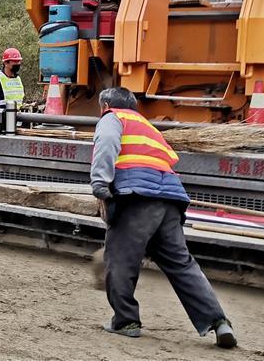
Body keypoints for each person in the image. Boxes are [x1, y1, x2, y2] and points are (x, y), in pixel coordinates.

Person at [90, 87, 237, 348]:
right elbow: (169, 160)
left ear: (105, 105)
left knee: (121, 259)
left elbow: (106, 146)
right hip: (170, 199)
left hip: (138, 198)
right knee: (182, 265)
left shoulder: (113, 118)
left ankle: (126, 322)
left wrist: (100, 186)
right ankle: (218, 321)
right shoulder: (148, 126)